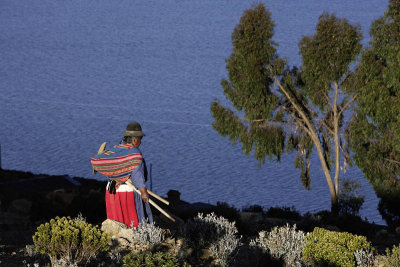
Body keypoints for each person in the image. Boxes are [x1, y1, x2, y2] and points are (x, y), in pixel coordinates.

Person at [102, 121, 153, 228]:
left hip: (111, 189)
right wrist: (143, 191)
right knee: (132, 220)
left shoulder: (115, 149)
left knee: (116, 219)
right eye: (140, 140)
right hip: (127, 191)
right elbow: (137, 174)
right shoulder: (134, 153)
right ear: (134, 139)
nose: (140, 142)